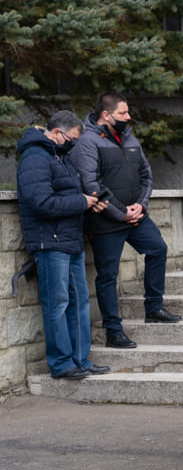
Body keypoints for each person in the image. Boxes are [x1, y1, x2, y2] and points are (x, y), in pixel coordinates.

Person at [71, 93, 182, 350]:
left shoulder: (130, 137)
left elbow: (147, 175)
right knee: (108, 275)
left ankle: (154, 307)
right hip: (106, 221)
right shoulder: (87, 141)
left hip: (136, 215)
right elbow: (91, 183)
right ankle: (113, 331)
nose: (128, 117)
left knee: (158, 249)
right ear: (106, 115)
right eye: (123, 113)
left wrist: (140, 205)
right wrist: (121, 212)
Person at [16, 111, 110, 380]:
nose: (74, 144)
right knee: (57, 304)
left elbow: (69, 194)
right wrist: (82, 202)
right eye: (72, 138)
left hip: (69, 239)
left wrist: (90, 201)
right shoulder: (35, 157)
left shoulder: (61, 156)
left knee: (79, 302)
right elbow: (41, 203)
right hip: (50, 242)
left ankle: (80, 359)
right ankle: (61, 364)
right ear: (57, 132)